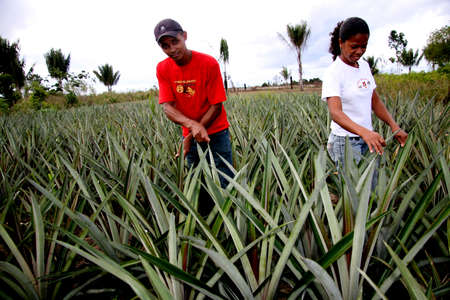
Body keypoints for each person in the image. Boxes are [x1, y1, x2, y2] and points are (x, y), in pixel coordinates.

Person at [154, 18, 233, 212]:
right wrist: (191, 128)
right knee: (196, 181)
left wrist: (191, 133)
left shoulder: (208, 63)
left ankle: (229, 223)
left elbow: (216, 105)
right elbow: (167, 107)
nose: (172, 49)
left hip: (216, 132)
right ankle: (204, 223)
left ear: (184, 36)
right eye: (165, 46)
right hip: (189, 134)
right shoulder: (162, 68)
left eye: (175, 41)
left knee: (224, 179)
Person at [322, 17, 408, 175]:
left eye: (364, 46)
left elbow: (375, 101)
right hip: (346, 142)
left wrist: (394, 126)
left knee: (373, 186)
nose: (359, 51)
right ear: (341, 42)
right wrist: (364, 132)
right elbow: (336, 113)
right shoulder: (333, 73)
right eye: (354, 46)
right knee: (354, 195)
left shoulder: (364, 66)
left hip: (369, 139)